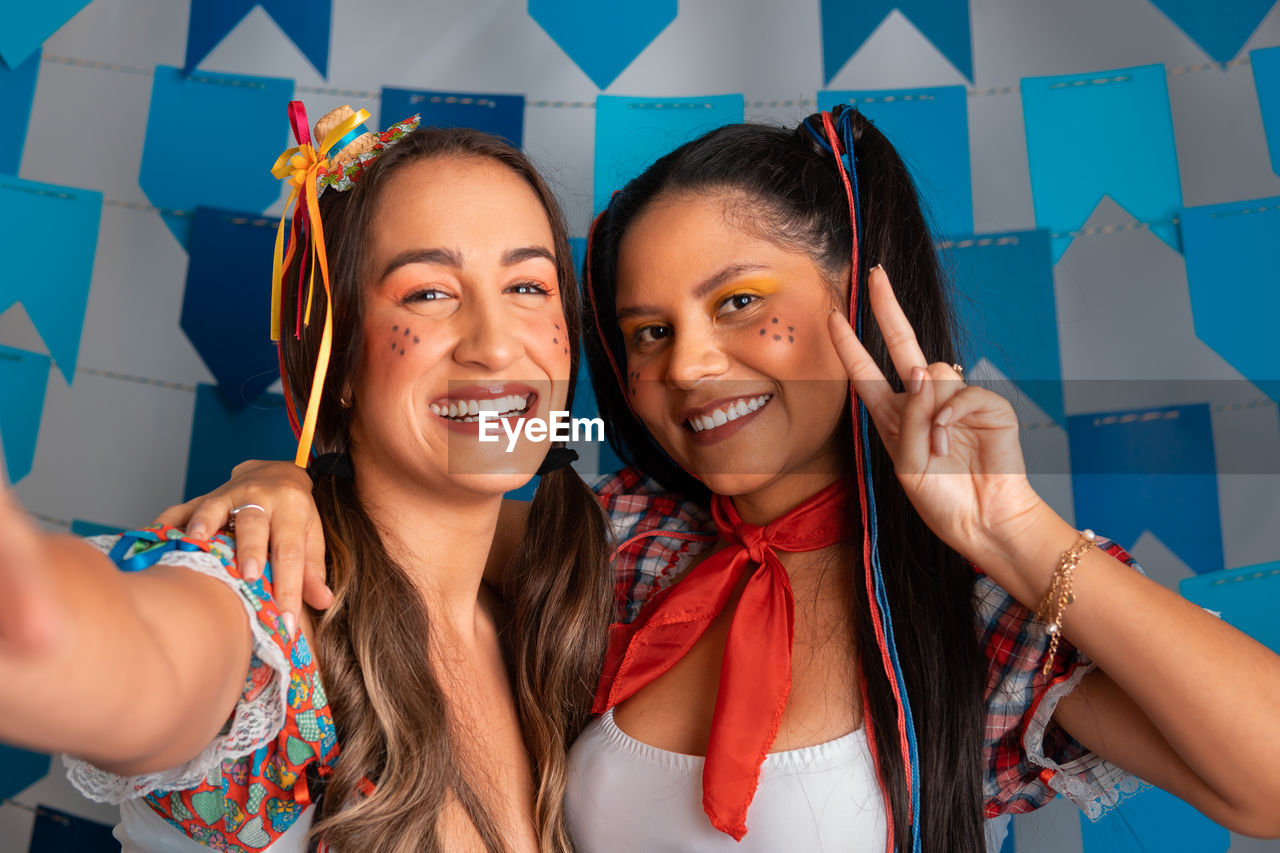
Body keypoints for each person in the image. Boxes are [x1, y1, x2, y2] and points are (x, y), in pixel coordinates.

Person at [161, 107, 1280, 852]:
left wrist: (1016, 534)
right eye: (644, 332)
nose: (687, 367)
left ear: (852, 296)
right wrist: (282, 478)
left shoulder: (958, 610)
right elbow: (403, 503)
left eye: (738, 302)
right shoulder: (615, 544)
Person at [0, 104, 612, 853]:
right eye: (428, 293)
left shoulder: (554, 616)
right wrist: (45, 622)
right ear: (340, 357)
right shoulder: (273, 608)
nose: (494, 345)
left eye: (527, 287)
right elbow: (143, 660)